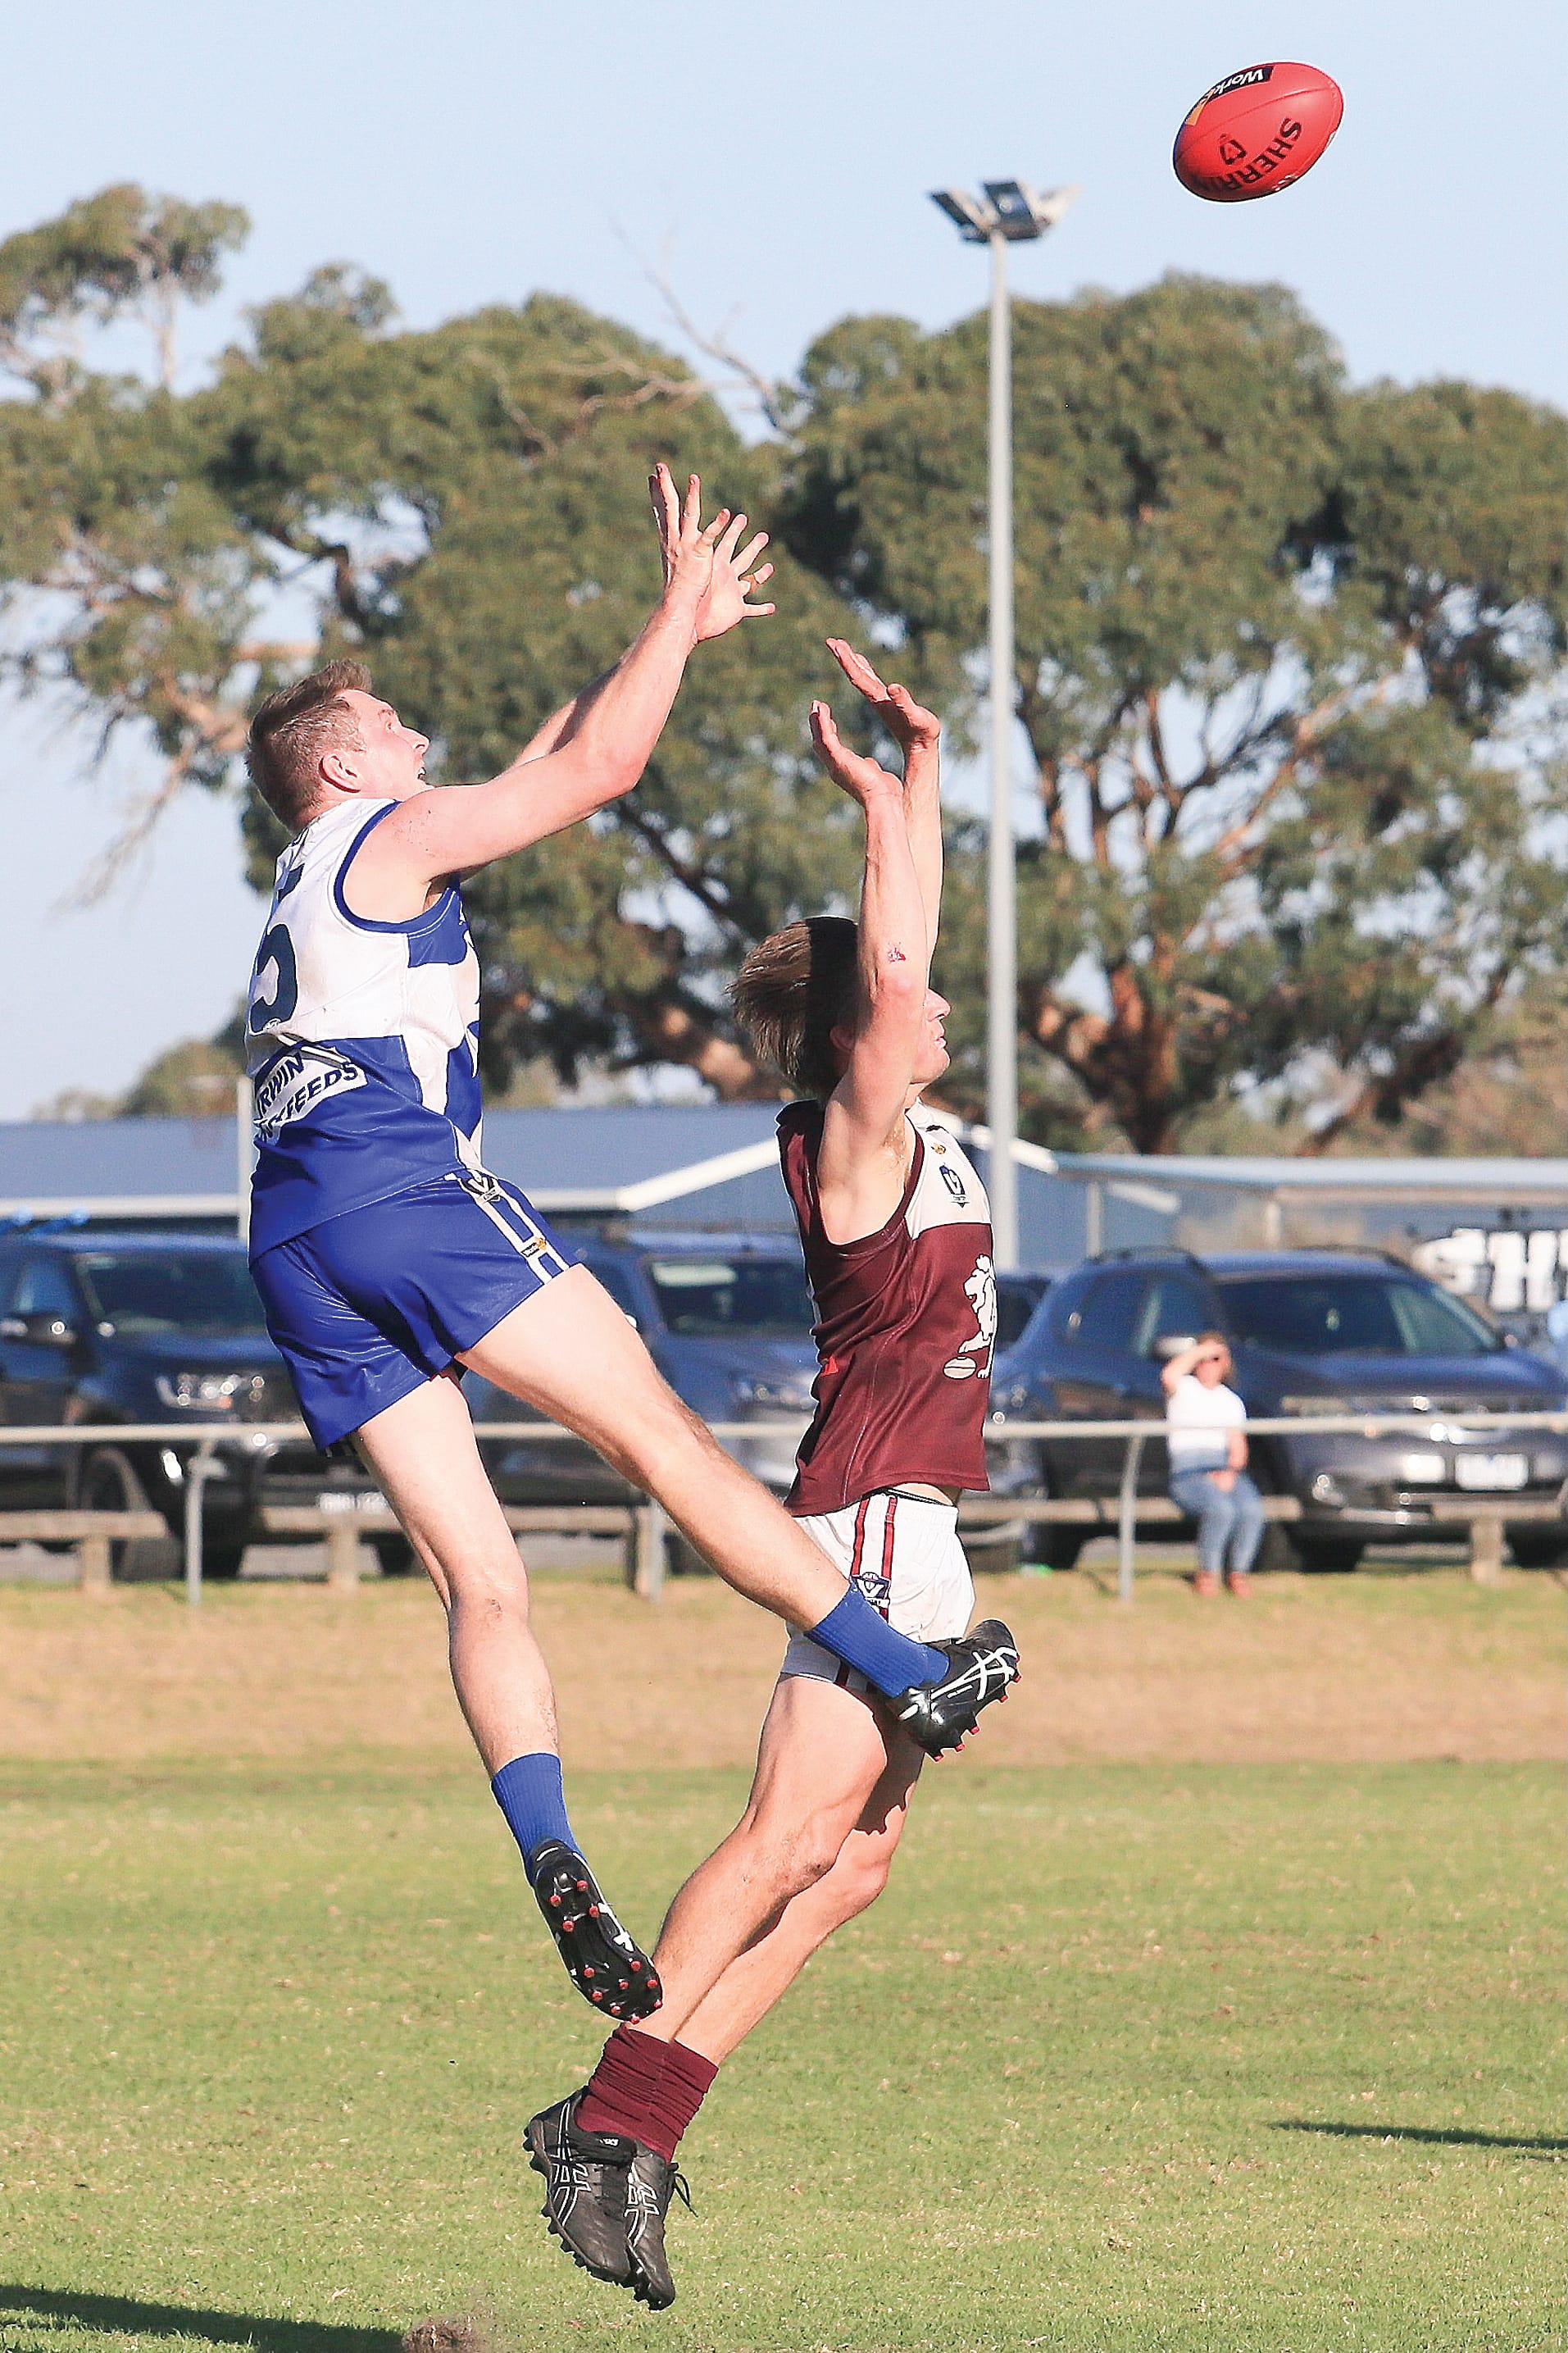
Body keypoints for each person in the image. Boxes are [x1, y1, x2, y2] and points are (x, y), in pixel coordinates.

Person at [242, 473, 1002, 2028]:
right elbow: (597, 767)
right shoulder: (381, 831)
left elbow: (541, 756)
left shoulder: (313, 878)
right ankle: (902, 1665)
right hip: (403, 1191)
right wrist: (678, 611)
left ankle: (551, 1855)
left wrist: (670, 629)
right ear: (338, 763)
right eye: (389, 724)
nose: (417, 741)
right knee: (660, 1439)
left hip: (288, 1235)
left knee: (483, 1581)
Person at [525, 639, 1020, 2309]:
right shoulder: (853, 1128)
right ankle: (606, 2116)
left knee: (852, 1863)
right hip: (870, 1523)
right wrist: (877, 803)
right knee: (777, 1836)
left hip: (914, 1521)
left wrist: (922, 772)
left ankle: (638, 2127)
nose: (936, 995)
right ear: (852, 1024)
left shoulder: (902, 1123)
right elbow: (892, 958)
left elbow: (908, 941)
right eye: (900, 994)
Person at [1161, 1333, 1263, 1595]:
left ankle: (1239, 1573)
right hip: (1188, 1472)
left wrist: (1230, 1472)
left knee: (1251, 1508)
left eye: (1215, 1359)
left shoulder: (1230, 1401)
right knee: (1220, 1509)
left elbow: (1238, 1448)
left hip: (1222, 1467)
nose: (1209, 1364)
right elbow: (1169, 1376)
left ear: (1225, 1363)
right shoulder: (1183, 1389)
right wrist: (1200, 1350)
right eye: (1204, 1359)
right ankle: (1208, 1573)